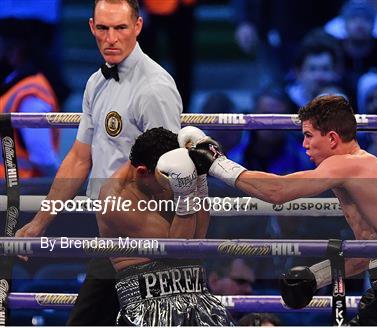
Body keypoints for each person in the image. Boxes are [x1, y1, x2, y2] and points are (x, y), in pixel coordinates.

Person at [175, 95, 377, 325]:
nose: (304, 145)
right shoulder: (356, 171)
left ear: (331, 138)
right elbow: (370, 251)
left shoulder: (349, 165)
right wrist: (315, 277)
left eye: (308, 136)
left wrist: (216, 164)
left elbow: (277, 192)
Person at [15, 0, 183, 325]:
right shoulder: (97, 82)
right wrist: (39, 223)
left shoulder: (155, 88)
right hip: (111, 234)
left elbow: (169, 169)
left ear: (137, 27)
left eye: (120, 28)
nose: (111, 38)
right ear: (92, 27)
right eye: (103, 28)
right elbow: (79, 158)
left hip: (144, 237)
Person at [97, 127, 233, 325]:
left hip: (198, 294)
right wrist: (186, 194)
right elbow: (179, 249)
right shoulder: (115, 199)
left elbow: (199, 238)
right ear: (143, 172)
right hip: (149, 307)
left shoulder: (163, 173)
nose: (168, 186)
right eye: (165, 180)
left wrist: (200, 179)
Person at [0, 18, 60, 178]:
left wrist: (68, 187)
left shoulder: (30, 95)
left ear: (16, 51)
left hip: (20, 194)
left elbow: (43, 159)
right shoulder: (14, 87)